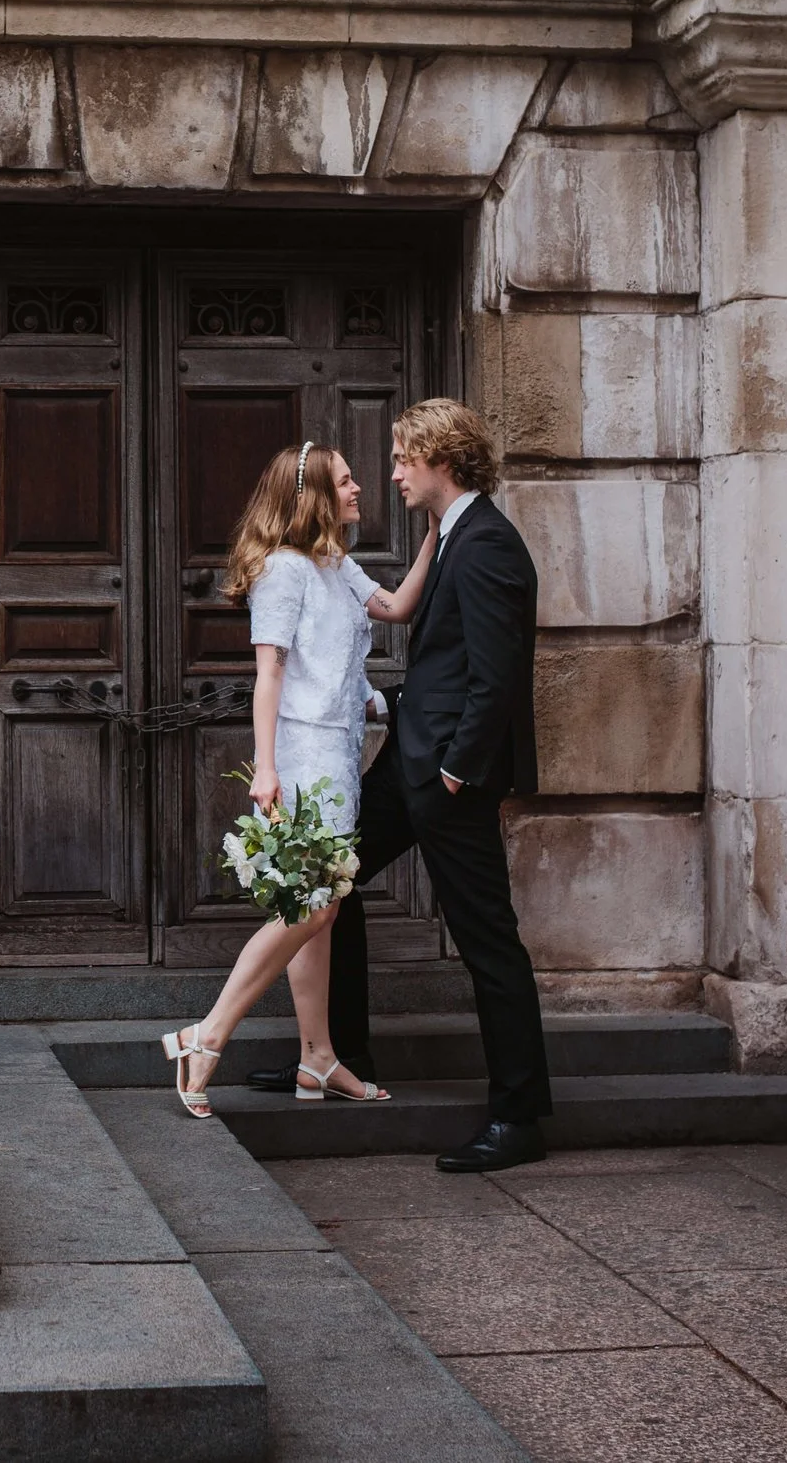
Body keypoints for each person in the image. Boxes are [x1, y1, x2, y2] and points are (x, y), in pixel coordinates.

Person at [245, 398, 552, 1174]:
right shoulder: (452, 536)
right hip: (406, 766)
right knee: (331, 887)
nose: (391, 473)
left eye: (401, 457)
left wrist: (455, 769)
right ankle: (335, 1054)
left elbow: (496, 678)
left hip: (445, 778)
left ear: (439, 458)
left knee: (488, 939)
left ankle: (520, 1113)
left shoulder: (486, 545)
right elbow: (445, 662)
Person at [160, 439, 434, 1117]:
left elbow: (396, 606)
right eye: (344, 482)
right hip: (303, 758)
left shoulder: (336, 565)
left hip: (341, 756)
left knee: (324, 911)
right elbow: (271, 675)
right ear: (313, 495)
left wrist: (436, 531)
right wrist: (267, 770)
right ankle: (209, 1032)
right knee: (309, 908)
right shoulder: (284, 571)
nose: (358, 490)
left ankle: (317, 1056)